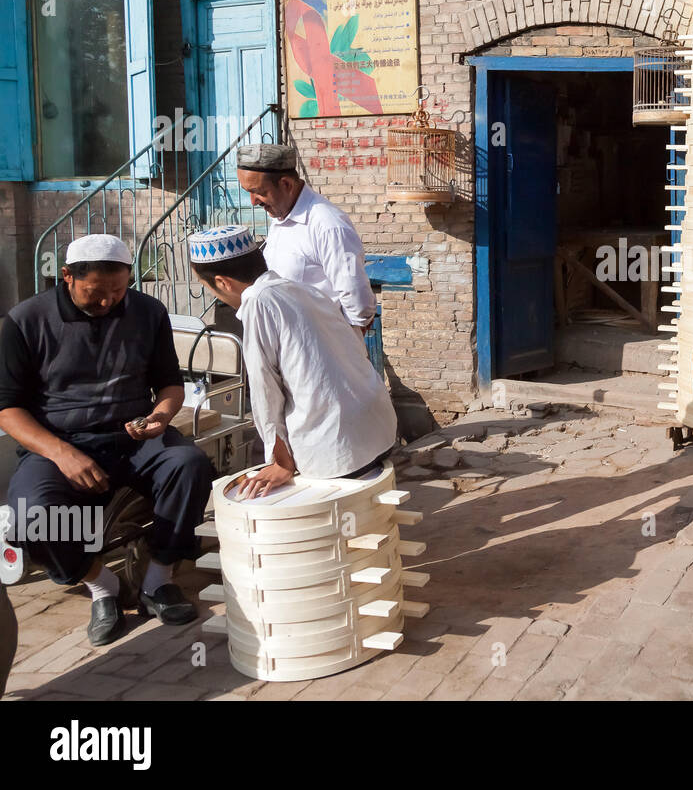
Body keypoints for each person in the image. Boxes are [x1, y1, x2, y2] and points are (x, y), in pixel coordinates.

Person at [0, 235, 213, 646]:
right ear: (67, 277)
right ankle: (103, 587)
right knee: (29, 514)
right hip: (59, 443)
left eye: (119, 291)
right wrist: (63, 453)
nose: (108, 302)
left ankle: (158, 580)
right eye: (96, 293)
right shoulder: (25, 321)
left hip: (133, 436)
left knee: (189, 465)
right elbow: (8, 410)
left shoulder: (148, 311)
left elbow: (170, 385)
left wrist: (159, 417)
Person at [187, 226, 397, 499]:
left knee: (257, 477)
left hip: (341, 452)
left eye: (208, 287)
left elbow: (265, 392)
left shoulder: (259, 303)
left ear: (223, 282)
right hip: (380, 431)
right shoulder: (301, 289)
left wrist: (281, 463)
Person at [236, 143, 376, 338]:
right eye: (247, 192)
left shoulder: (328, 225)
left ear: (286, 184)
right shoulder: (280, 216)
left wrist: (348, 339)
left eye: (259, 191)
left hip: (325, 351)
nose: (253, 201)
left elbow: (357, 299)